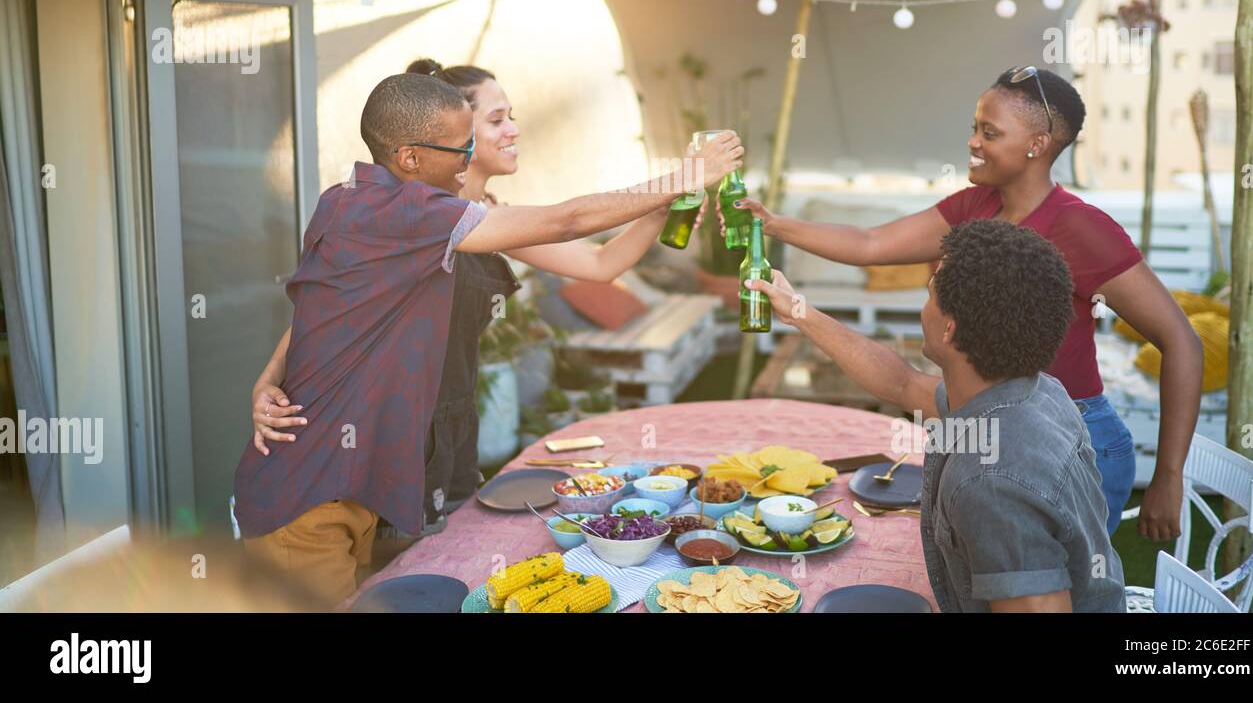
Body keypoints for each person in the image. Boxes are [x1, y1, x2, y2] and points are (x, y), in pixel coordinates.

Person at [233, 72, 742, 603]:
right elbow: (567, 220)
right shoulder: (404, 211)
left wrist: (657, 206)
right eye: (468, 140)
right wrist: (682, 176)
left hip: (376, 476)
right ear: (410, 156)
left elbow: (325, 306)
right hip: (315, 484)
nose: (474, 151)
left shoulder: (374, 202)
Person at [730, 67, 1202, 539]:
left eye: (989, 132)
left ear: (1037, 144)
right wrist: (771, 224)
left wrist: (1168, 476)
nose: (973, 142)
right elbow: (870, 243)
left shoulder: (1080, 229)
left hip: (1071, 437)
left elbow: (1180, 340)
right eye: (974, 128)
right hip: (986, 420)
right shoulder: (977, 204)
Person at [747, 219, 1126, 612]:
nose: (923, 306)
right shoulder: (1031, 392)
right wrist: (797, 312)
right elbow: (901, 384)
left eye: (930, 295)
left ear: (948, 328)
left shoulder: (992, 483)